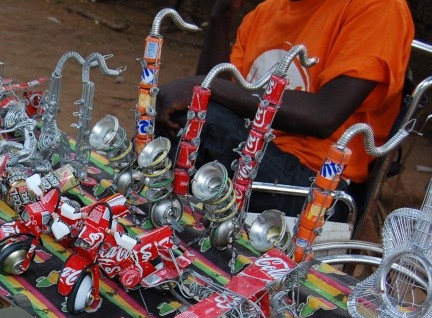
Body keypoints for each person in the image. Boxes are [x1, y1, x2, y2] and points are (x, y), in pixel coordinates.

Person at [155, 0, 415, 218]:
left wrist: (203, 85)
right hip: (253, 159)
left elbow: (323, 115)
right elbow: (209, 104)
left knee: (197, 124)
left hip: (316, 187)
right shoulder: (265, 13)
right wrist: (221, 15)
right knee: (175, 117)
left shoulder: (378, 7)